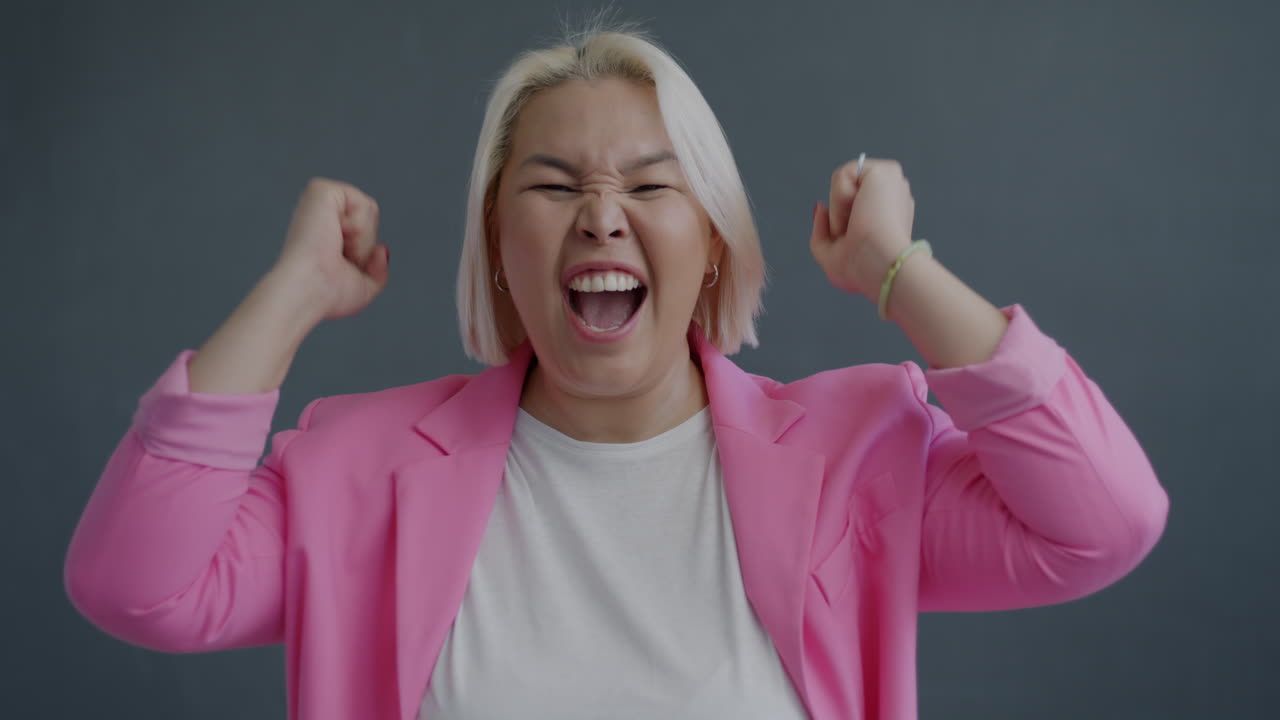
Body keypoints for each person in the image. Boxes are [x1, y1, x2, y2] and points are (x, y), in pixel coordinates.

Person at [64, 26, 1169, 720]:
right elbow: (134, 585)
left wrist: (896, 271)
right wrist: (295, 292)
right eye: (551, 187)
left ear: (715, 245)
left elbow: (1100, 524)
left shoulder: (858, 459)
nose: (600, 216)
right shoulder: (354, 471)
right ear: (498, 248)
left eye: (649, 187)